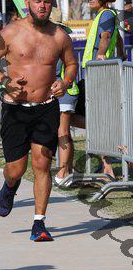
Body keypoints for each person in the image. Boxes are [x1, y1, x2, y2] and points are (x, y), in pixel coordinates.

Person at [0, 0, 78, 242]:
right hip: (15, 109)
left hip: (46, 107)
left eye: (46, 2)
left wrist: (65, 82)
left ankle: (39, 223)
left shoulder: (60, 36)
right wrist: (4, 81)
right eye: (37, 1)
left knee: (42, 164)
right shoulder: (10, 33)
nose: (42, 6)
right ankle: (10, 185)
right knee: (16, 169)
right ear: (27, 3)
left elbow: (71, 64)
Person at [73, 0, 123, 178]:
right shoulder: (106, 15)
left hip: (98, 74)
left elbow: (106, 37)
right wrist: (122, 54)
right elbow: (118, 38)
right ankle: (106, 162)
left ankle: (107, 162)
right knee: (94, 117)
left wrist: (101, 55)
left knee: (72, 114)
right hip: (95, 73)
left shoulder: (106, 14)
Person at [53, 23, 80, 185]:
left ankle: (63, 172)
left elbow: (55, 72)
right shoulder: (63, 45)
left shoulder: (60, 46)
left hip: (65, 93)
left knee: (62, 132)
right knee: (65, 133)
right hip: (65, 93)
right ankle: (68, 169)